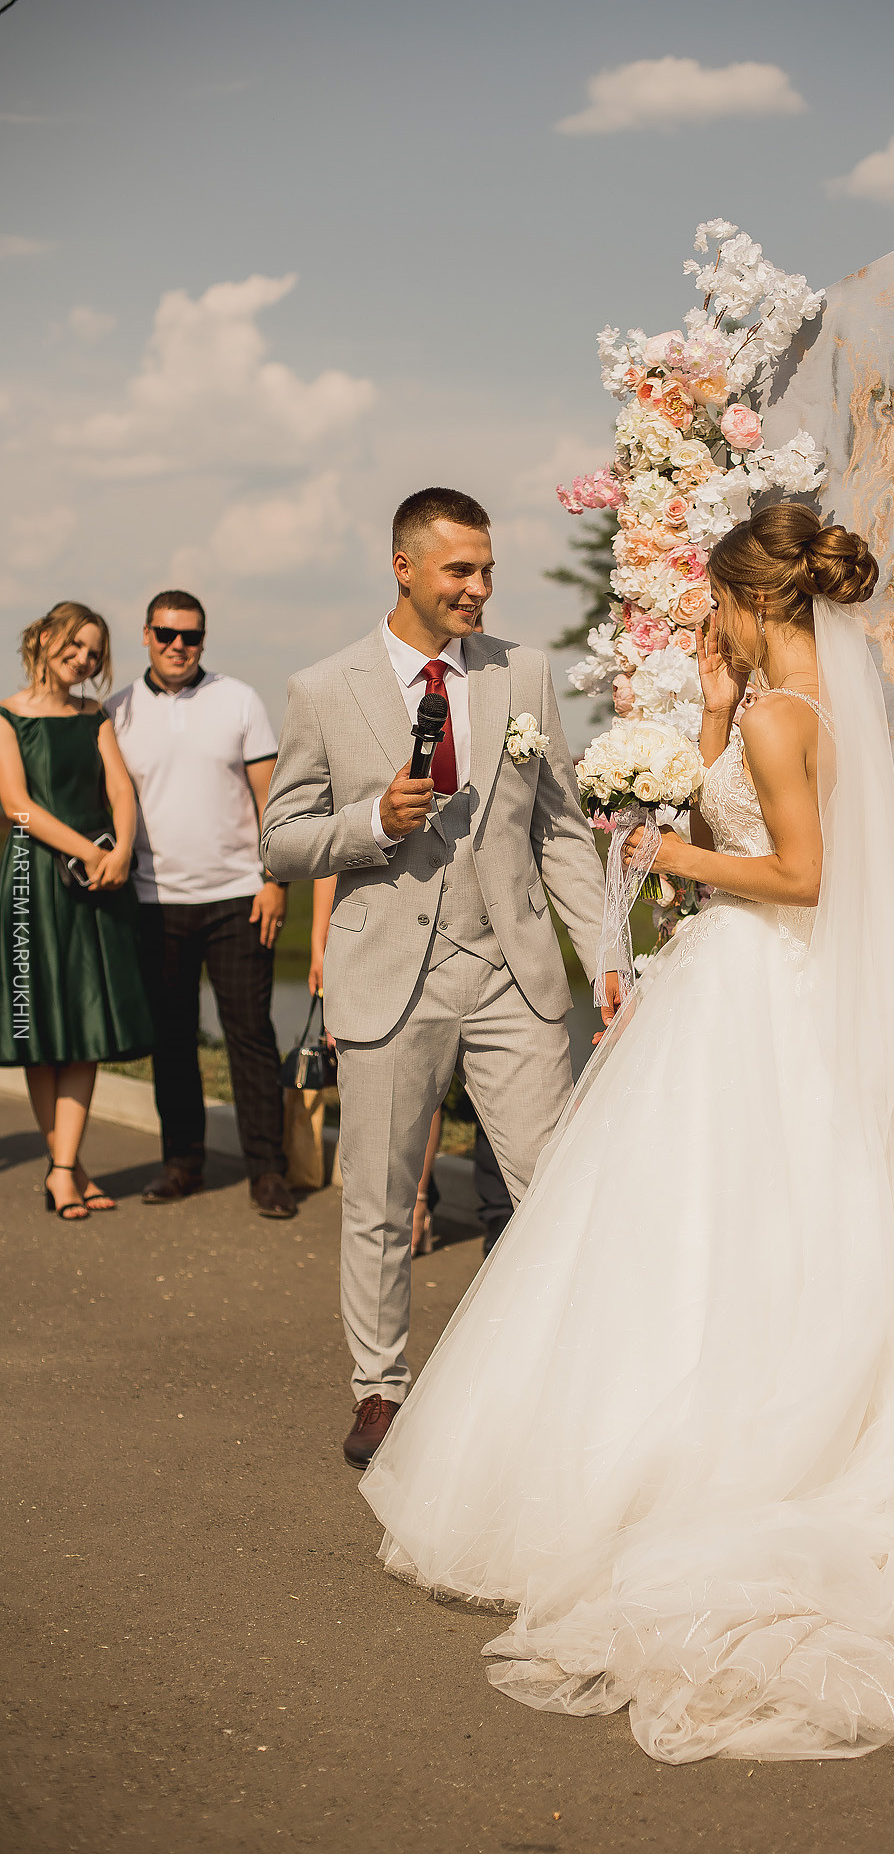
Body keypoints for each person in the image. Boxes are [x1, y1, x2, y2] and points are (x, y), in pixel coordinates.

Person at [359, 504, 894, 1765]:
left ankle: (711, 1452)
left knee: (710, 1221)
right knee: (715, 1223)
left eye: (714, 603)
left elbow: (803, 874)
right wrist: (710, 716)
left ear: (748, 596)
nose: (704, 622)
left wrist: (662, 842)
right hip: (737, 983)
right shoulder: (778, 708)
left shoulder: (794, 719)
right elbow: (749, 816)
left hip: (755, 988)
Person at [261, 487, 616, 1468]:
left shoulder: (524, 674)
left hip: (516, 973)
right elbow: (282, 841)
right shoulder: (322, 689)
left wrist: (607, 954)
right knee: (376, 1198)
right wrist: (372, 821)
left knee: (551, 1191)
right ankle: (379, 1390)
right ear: (404, 567)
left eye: (487, 571)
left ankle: (557, 1379)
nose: (478, 589)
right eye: (459, 570)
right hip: (389, 977)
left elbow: (556, 827)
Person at [107, 591, 296, 1219]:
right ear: (146, 635)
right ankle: (182, 1163)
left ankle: (268, 1171)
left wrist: (275, 879)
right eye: (166, 634)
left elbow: (269, 794)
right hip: (153, 902)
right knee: (172, 1037)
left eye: (190, 636)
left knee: (251, 1037)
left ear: (203, 641)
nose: (177, 646)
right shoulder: (118, 711)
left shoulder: (238, 699)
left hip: (239, 898)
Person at [0, 602, 153, 1219]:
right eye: (76, 644)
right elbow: (16, 804)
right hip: (33, 879)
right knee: (42, 1031)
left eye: (95, 651)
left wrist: (120, 851)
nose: (85, 659)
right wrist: (90, 849)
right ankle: (65, 1169)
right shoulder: (7, 715)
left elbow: (121, 786)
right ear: (42, 639)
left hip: (98, 878)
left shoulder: (95, 714)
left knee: (85, 1027)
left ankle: (64, 1166)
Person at [311, 877, 515, 1258]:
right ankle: (407, 1210)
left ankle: (431, 1206)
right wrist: (320, 946)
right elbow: (327, 859)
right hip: (380, 942)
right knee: (409, 1085)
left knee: (446, 1089)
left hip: (487, 940)